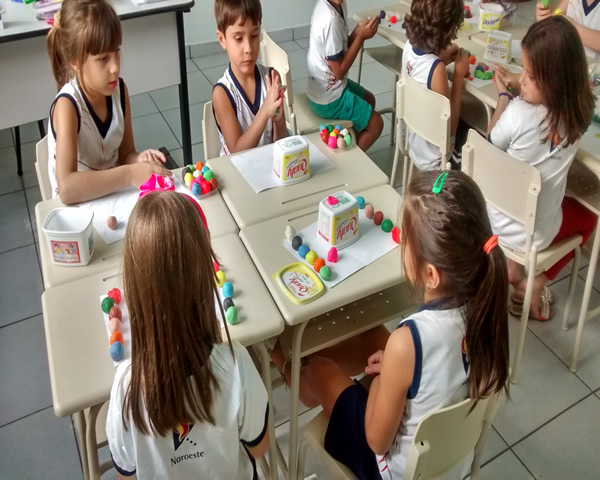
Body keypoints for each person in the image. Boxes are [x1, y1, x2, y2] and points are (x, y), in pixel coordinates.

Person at [271, 170, 510, 479]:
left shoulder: (407, 341)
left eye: (406, 240)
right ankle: (308, 357)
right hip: (450, 462)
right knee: (370, 334)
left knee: (321, 369)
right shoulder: (486, 306)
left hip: (391, 470)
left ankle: (286, 365)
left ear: (431, 275)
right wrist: (396, 369)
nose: (401, 244)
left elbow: (377, 441)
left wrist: (384, 380)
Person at [106, 191, 269, 478]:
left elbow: (125, 475)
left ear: (136, 291)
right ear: (205, 280)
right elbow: (259, 447)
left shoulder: (126, 387)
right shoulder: (236, 364)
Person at [489, 16, 596, 321]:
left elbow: (490, 144)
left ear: (553, 80)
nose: (521, 80)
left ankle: (525, 277)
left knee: (537, 196)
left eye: (529, 74)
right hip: (532, 232)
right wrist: (523, 86)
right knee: (589, 215)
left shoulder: (516, 113)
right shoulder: (580, 117)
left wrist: (504, 97)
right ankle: (534, 280)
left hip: (495, 221)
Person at [46, 0, 170, 204]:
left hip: (113, 201)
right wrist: (129, 174)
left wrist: (140, 160)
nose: (115, 67)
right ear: (75, 61)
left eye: (117, 52)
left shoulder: (120, 90)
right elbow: (67, 188)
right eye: (103, 59)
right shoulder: (68, 106)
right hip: (77, 211)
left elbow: (126, 154)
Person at [212, 0, 288, 156]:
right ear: (222, 39)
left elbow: (281, 144)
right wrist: (265, 112)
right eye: (238, 39)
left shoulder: (271, 78)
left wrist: (279, 121)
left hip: (267, 166)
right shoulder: (222, 94)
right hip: (235, 168)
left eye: (254, 36)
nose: (248, 48)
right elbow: (237, 151)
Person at [306, 0, 384, 151]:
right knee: (377, 125)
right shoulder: (331, 19)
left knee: (369, 100)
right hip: (328, 98)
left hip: (322, 89)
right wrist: (360, 37)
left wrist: (356, 32)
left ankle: (347, 138)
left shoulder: (337, 5)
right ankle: (351, 159)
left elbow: (339, 48)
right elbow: (339, 72)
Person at [402, 0, 470, 170]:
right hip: (437, 158)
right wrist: (459, 75)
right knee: (475, 130)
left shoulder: (408, 46)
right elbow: (450, 128)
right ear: (448, 31)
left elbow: (424, 67)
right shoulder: (436, 68)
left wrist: (441, 54)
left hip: (417, 144)